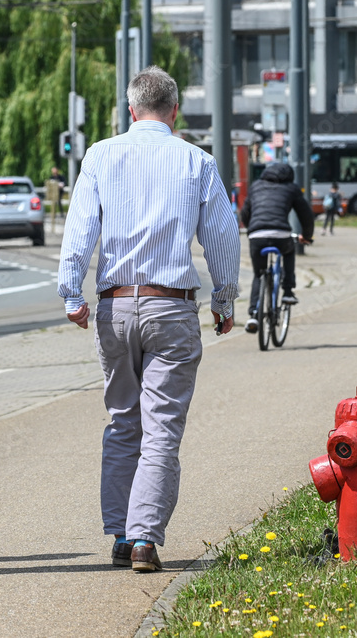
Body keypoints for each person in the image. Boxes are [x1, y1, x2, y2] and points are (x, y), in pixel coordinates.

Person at [57, 66, 240, 573]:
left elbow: (79, 231)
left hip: (115, 307)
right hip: (171, 306)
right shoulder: (196, 161)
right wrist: (225, 300)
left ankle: (119, 532)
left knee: (122, 420)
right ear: (174, 112)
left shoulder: (99, 155)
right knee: (161, 428)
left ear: (131, 110)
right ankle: (143, 540)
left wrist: (71, 294)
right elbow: (222, 237)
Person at [239, 162, 315, 333]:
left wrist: (252, 227)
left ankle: (253, 314)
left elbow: (245, 212)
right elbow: (306, 214)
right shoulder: (292, 188)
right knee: (289, 251)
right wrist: (307, 236)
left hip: (256, 235)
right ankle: (288, 291)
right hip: (281, 234)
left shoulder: (256, 186)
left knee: (258, 274)